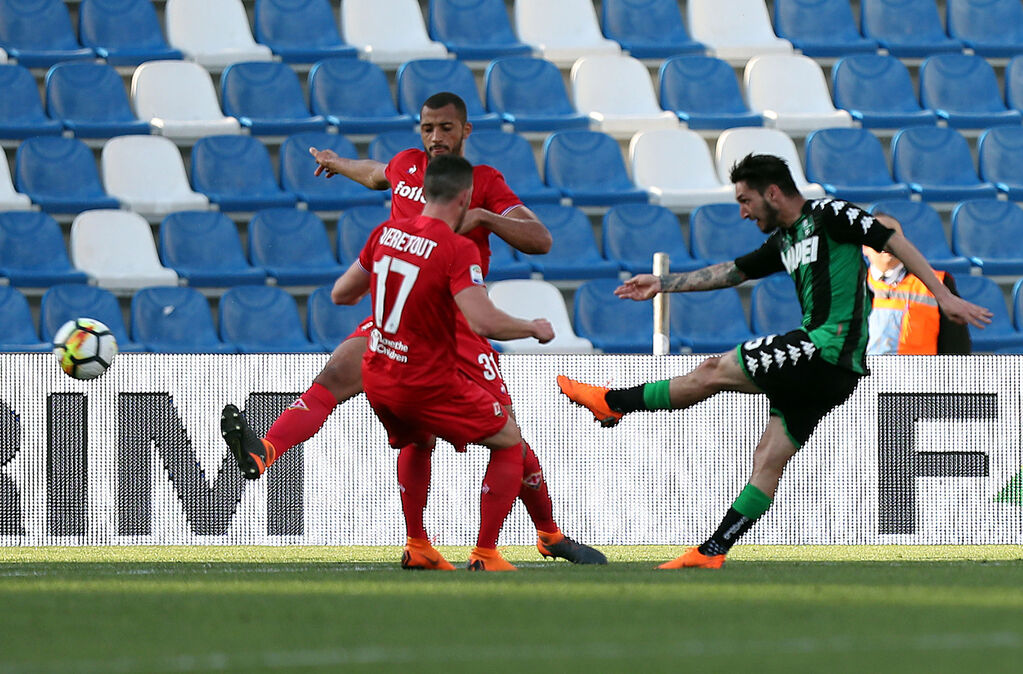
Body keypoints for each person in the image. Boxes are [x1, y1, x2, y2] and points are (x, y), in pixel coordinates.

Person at [221, 92, 606, 567]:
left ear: (465, 131)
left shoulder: (483, 182)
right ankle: (268, 452)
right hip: (400, 317)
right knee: (342, 381)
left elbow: (540, 239)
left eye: (446, 128)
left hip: (457, 321)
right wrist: (337, 163)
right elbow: (375, 173)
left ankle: (548, 533)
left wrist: (484, 217)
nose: (436, 137)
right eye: (427, 128)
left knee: (508, 436)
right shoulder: (406, 166)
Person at [556, 154, 992, 569]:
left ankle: (614, 402)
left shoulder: (831, 214)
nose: (743, 212)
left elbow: (890, 239)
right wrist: (663, 283)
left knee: (713, 371)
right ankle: (713, 549)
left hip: (824, 349)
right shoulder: (785, 240)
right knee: (769, 457)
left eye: (745, 200)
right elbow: (731, 272)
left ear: (773, 193)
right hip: (834, 372)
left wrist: (943, 295)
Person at [330, 155, 553, 570]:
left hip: (381, 372)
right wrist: (532, 327)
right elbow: (483, 321)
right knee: (509, 439)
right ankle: (486, 554)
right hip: (427, 374)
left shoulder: (385, 232)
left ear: (423, 191)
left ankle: (418, 545)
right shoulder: (457, 248)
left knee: (418, 440)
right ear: (465, 197)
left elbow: (341, 294)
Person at [864, 213, 971, 355]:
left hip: (920, 370)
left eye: (892, 236)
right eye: (878, 234)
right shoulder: (851, 286)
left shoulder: (939, 283)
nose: (887, 242)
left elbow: (956, 346)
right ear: (864, 247)